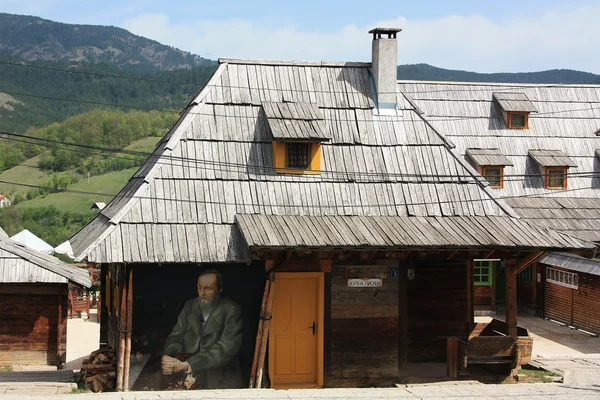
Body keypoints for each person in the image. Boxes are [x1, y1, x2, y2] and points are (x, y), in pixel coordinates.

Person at [161, 270, 243, 389]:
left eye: (208, 288)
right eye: (199, 288)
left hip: (219, 375)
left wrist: (188, 364)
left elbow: (226, 348)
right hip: (187, 373)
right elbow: (175, 336)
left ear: (220, 290)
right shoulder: (190, 305)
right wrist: (170, 357)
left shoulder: (231, 309)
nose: (202, 293)